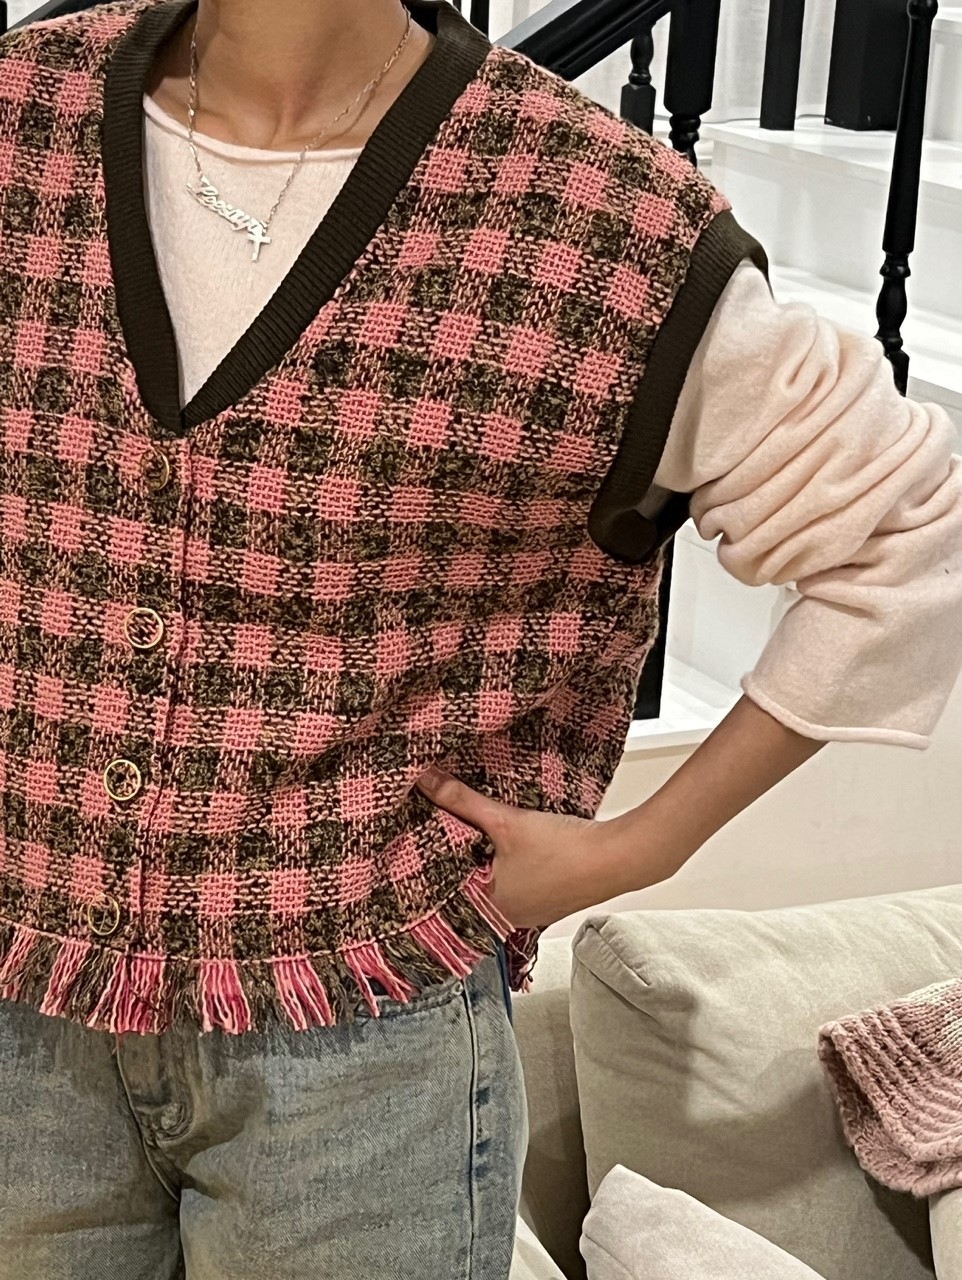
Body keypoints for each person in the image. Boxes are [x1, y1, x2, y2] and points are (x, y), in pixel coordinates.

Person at [0, 0, 958, 1276]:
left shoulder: (597, 225)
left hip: (360, 1046)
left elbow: (902, 541)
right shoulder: (26, 113)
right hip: (22, 1008)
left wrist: (641, 843)